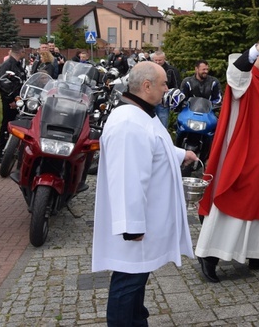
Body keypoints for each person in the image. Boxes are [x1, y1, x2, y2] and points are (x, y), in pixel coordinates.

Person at [92, 61, 198, 326]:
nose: (167, 89)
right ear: (147, 85)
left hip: (144, 221)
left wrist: (180, 154)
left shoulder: (140, 113)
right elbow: (128, 177)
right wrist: (132, 226)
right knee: (128, 283)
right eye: (163, 84)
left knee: (135, 280)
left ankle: (137, 320)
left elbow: (153, 146)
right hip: (135, 228)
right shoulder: (129, 123)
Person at [195, 33, 259, 283]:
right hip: (246, 153)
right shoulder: (246, 78)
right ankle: (210, 255)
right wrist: (257, 47)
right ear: (257, 56)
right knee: (236, 198)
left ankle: (257, 255)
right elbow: (235, 74)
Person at [0, 44, 27, 161]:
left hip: (19, 100)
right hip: (10, 101)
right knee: (6, 125)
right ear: (21, 52)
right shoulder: (7, 65)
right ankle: (2, 153)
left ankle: (14, 149)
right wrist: (11, 100)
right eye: (24, 52)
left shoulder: (18, 65)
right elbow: (4, 85)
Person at [150, 51, 180, 128]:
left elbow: (176, 85)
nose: (157, 62)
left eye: (159, 60)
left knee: (163, 123)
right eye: (155, 60)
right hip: (150, 100)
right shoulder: (149, 70)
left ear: (164, 59)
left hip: (163, 101)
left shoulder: (171, 70)